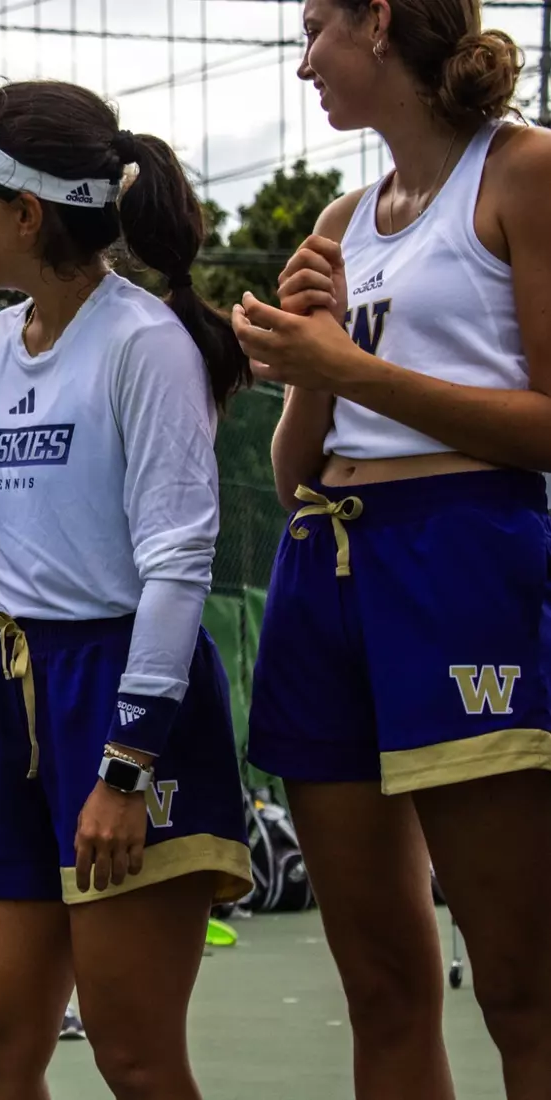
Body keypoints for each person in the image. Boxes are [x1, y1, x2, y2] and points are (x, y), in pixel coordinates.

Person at [0, 80, 254, 1100]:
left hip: (129, 696)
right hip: (14, 695)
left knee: (136, 1056)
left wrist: (127, 765)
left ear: (26, 211)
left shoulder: (146, 345)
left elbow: (178, 560)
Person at [232, 3, 551, 1097]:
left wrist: (353, 368)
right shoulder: (341, 217)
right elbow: (295, 476)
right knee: (377, 983)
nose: (306, 57)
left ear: (379, 21)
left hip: (463, 561)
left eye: (317, 25)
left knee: (522, 983)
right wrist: (310, 365)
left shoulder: (523, 172)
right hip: (326, 568)